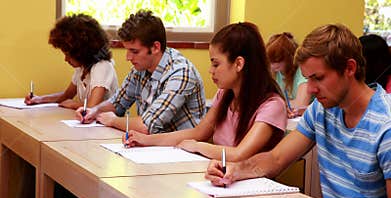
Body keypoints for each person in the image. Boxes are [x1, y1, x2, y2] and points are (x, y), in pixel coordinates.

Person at [205, 24, 391, 198]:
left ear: (349, 68)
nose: (310, 89)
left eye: (318, 78)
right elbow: (276, 159)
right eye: (307, 79)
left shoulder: (384, 126)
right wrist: (235, 170)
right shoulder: (321, 110)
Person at [123, 22, 287, 162]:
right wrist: (146, 140)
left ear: (238, 64)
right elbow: (198, 132)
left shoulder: (272, 106)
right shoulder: (225, 95)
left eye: (216, 64)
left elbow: (239, 154)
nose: (210, 71)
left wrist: (197, 146)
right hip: (222, 177)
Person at [76, 10, 206, 134]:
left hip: (182, 151)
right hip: (153, 146)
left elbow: (147, 126)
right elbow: (117, 103)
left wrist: (113, 120)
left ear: (155, 47)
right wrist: (94, 110)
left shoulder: (181, 73)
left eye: (134, 51)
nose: (128, 57)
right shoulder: (140, 69)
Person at [24, 14, 118, 109]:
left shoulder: (102, 67)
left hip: (104, 123)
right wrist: (39, 99)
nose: (66, 59)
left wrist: (74, 104)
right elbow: (66, 96)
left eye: (68, 55)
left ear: (81, 52)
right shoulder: (82, 68)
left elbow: (92, 107)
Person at [266, 32, 312, 117]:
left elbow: (301, 104)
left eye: (277, 61)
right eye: (270, 61)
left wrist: (277, 105)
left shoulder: (301, 71)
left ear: (288, 59)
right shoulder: (276, 72)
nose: (273, 66)